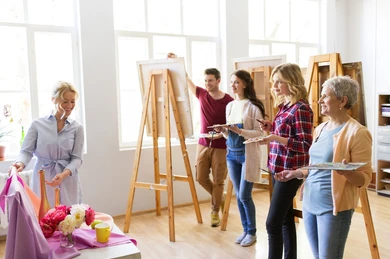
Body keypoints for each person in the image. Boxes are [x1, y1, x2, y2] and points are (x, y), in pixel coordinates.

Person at [275, 76, 372, 259]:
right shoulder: (320, 128)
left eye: (325, 96)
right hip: (310, 203)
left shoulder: (358, 132)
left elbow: (365, 178)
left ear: (342, 100)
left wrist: (346, 172)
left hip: (333, 207)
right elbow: (316, 166)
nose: (319, 101)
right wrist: (296, 172)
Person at [167, 52, 234, 227]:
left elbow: (233, 124)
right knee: (200, 177)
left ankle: (214, 211)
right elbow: (185, 78)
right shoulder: (201, 94)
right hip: (203, 143)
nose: (207, 84)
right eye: (205, 81)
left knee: (219, 180)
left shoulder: (229, 101)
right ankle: (220, 197)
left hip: (221, 145)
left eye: (210, 81)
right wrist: (176, 61)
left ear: (218, 81)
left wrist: (223, 133)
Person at [258, 63, 313, 259]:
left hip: (290, 171)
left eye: (280, 81)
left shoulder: (301, 108)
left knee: (272, 223)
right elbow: (286, 133)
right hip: (277, 167)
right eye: (274, 82)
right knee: (285, 220)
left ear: (292, 81)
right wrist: (271, 128)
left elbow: (305, 144)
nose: (275, 86)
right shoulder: (285, 106)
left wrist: (275, 138)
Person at [10, 81, 84, 207]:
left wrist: (64, 174)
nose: (69, 105)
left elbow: (77, 158)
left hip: (67, 178)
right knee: (43, 215)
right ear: (53, 100)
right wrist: (20, 163)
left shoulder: (77, 128)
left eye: (72, 101)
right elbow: (26, 151)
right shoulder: (37, 124)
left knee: (68, 218)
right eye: (65, 101)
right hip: (43, 177)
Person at [216, 70, 265, 247]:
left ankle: (252, 232)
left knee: (244, 195)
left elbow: (260, 133)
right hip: (232, 154)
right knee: (238, 195)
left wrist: (239, 131)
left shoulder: (253, 106)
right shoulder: (230, 106)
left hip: (247, 154)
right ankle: (245, 230)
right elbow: (230, 135)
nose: (233, 85)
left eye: (236, 82)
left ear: (245, 83)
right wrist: (223, 131)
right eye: (231, 82)